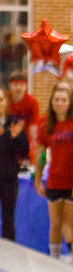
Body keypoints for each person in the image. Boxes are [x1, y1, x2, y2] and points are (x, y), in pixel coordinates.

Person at [34, 81, 73, 265]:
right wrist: (37, 179)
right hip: (54, 181)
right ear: (52, 102)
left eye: (63, 100)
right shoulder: (46, 124)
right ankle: (55, 261)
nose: (59, 103)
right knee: (55, 224)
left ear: (70, 102)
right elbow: (41, 154)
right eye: (56, 100)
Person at [0, 86, 29, 240]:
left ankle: (8, 258)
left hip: (9, 180)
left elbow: (24, 152)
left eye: (0, 99)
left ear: (5, 102)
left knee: (8, 221)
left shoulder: (14, 124)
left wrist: (15, 137)